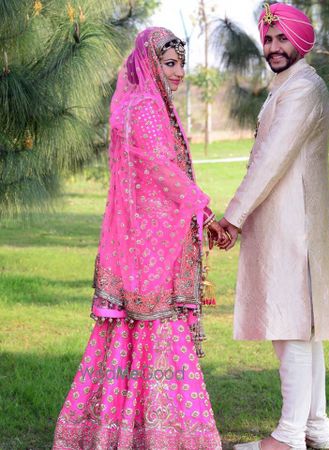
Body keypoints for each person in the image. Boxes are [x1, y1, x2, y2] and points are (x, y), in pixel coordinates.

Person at [52, 27, 227, 450]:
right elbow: (165, 172)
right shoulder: (147, 106)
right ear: (149, 62)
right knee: (152, 333)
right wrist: (205, 213)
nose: (180, 72)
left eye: (182, 63)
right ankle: (161, 436)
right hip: (153, 246)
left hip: (139, 241)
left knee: (127, 337)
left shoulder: (136, 103)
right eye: (170, 63)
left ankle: (115, 430)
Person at [219, 3, 329, 450]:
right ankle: (315, 428)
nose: (273, 47)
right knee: (304, 329)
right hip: (287, 222)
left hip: (295, 226)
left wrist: (232, 216)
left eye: (281, 39)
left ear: (301, 40)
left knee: (292, 325)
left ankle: (288, 437)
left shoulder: (302, 89)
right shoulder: (288, 86)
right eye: (268, 39)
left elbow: (271, 158)